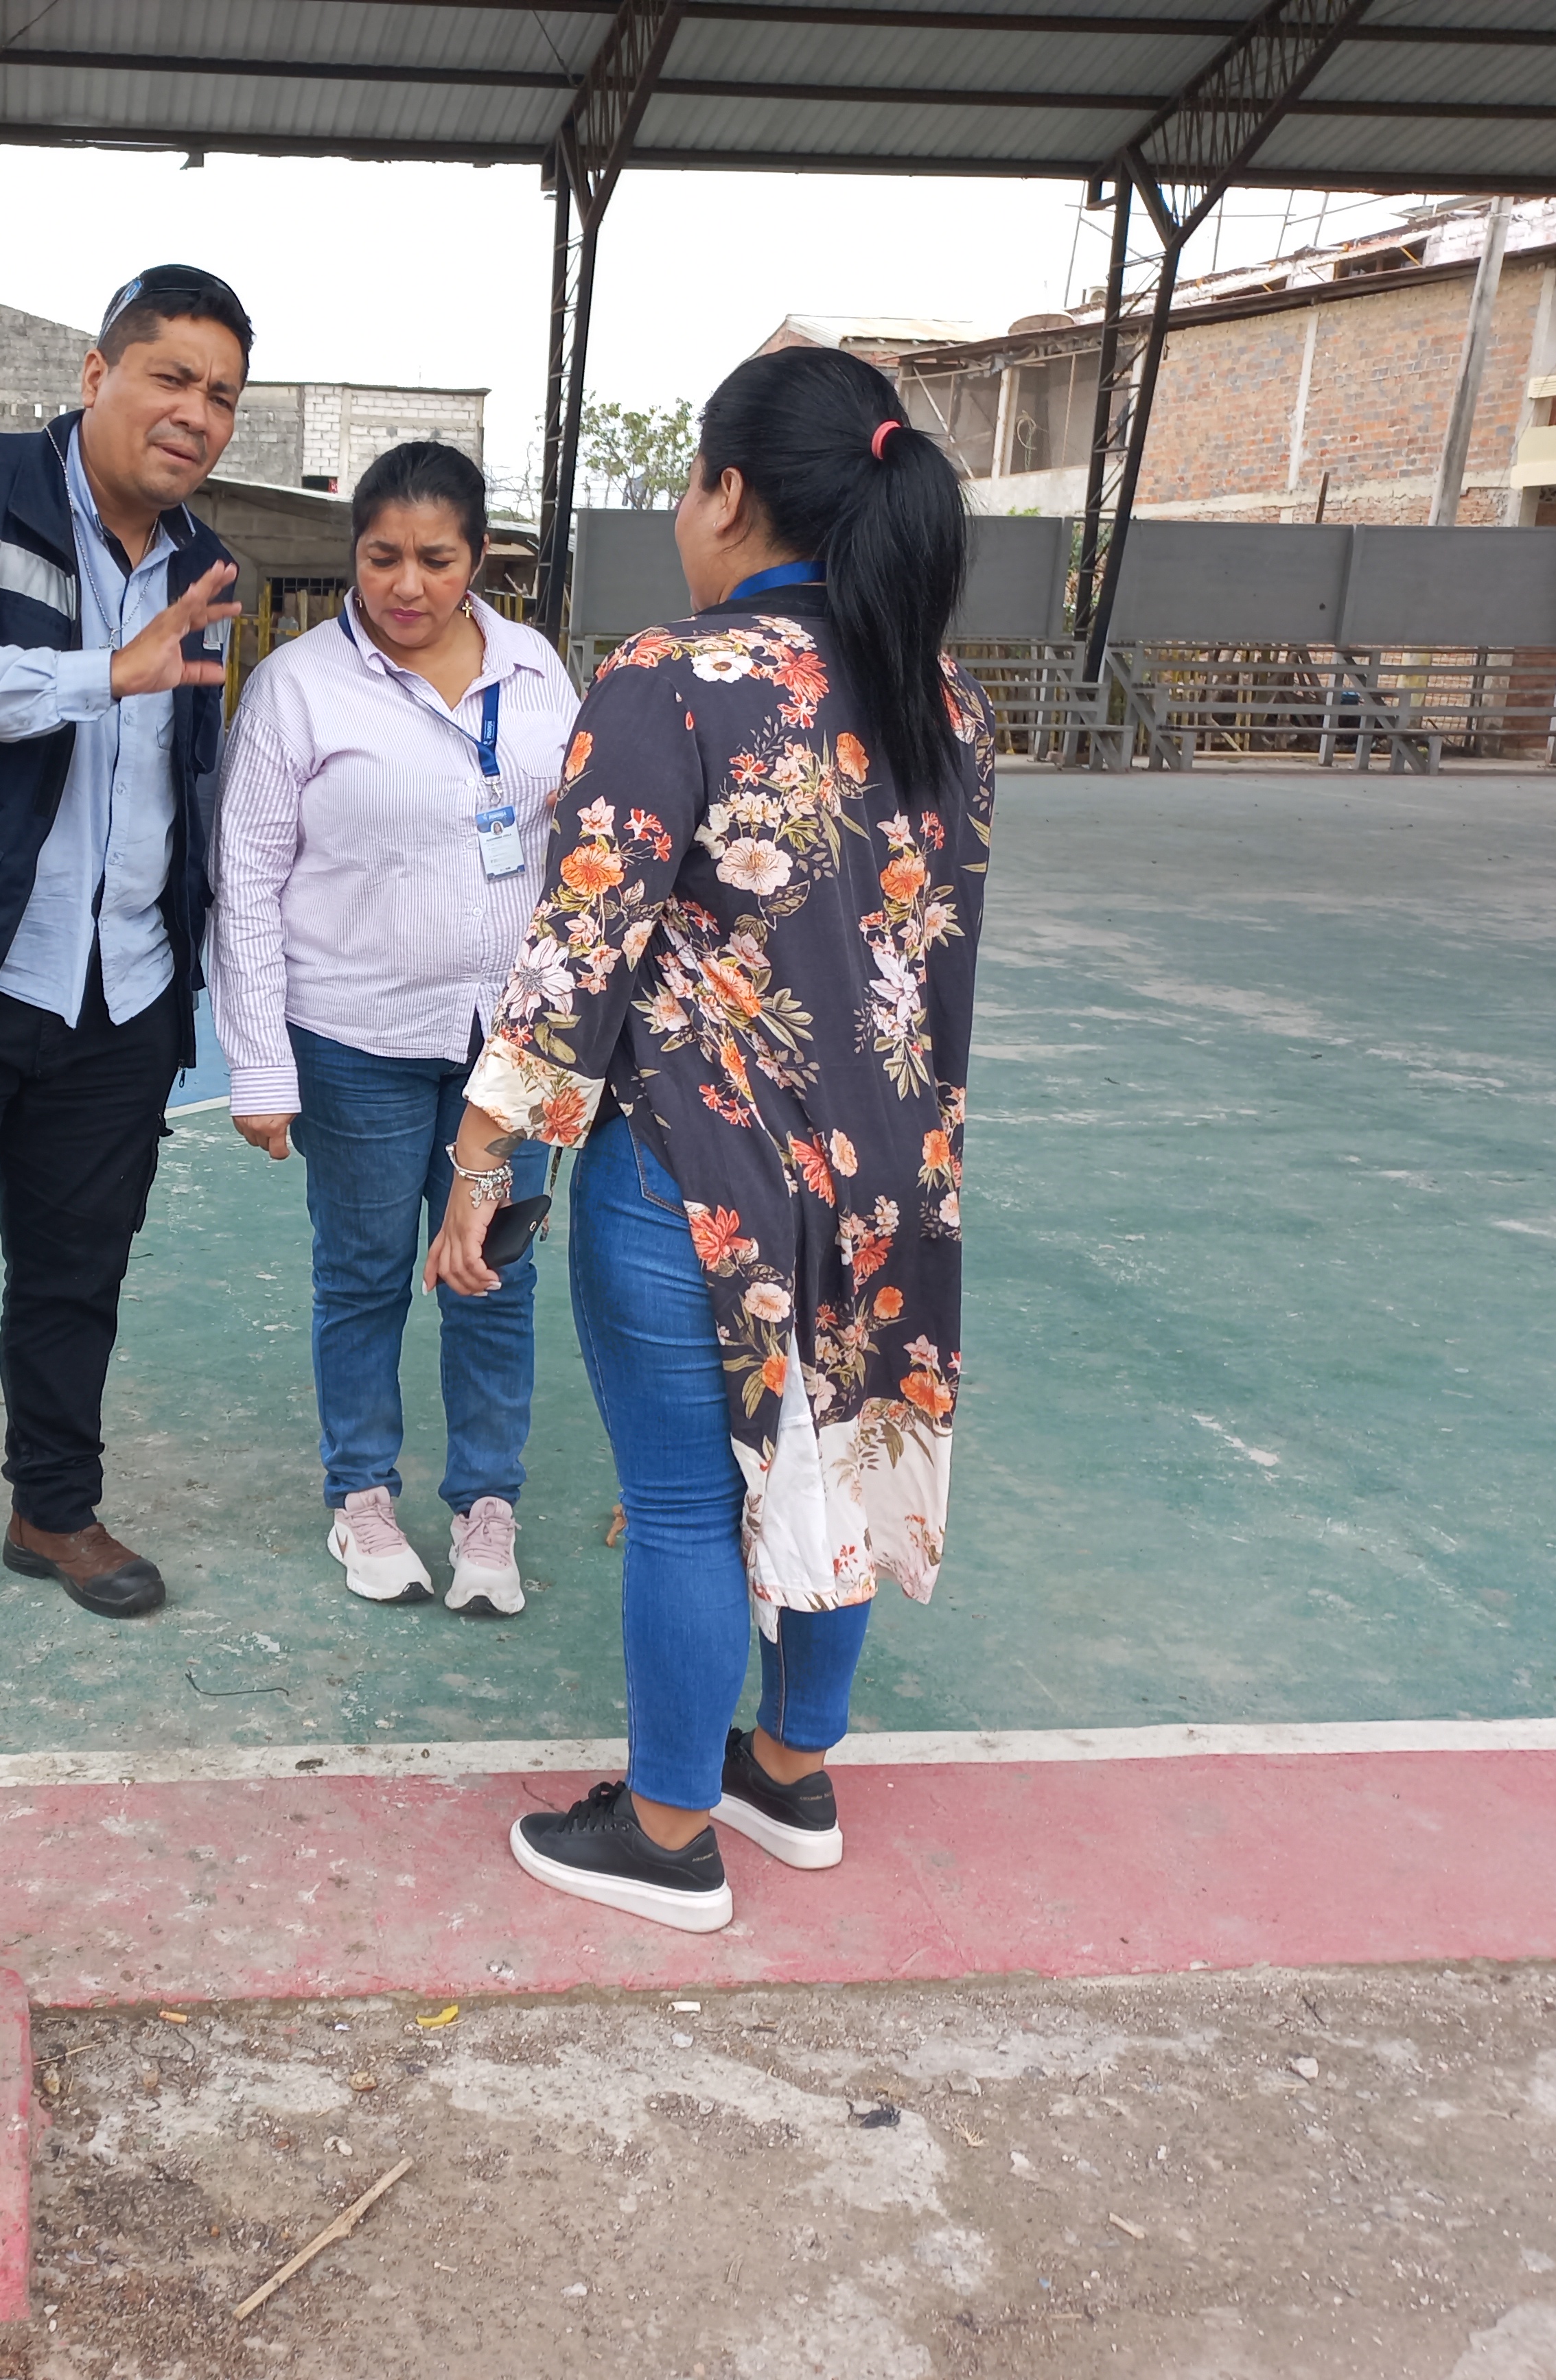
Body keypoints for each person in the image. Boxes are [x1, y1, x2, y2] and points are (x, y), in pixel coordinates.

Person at [426, 345, 995, 1933]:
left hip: (697, 1171)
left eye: (689, 480)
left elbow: (579, 946)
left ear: (728, 493)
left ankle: (669, 1828)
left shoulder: (670, 674)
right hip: (888, 1180)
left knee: (682, 1502)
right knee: (837, 1458)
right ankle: (788, 1769)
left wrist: (481, 1154)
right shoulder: (943, 695)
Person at [0, 265, 252, 1620]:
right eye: (170, 377)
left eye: (220, 394)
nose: (194, 413)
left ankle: (51, 1509)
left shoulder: (202, 562)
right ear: (96, 374)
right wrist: (99, 672)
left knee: (75, 1277)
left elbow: (182, 778)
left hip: (120, 995)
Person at [210, 442, 579, 1615]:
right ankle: (361, 1494)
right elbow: (248, 878)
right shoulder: (297, 687)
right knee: (365, 1274)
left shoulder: (534, 671)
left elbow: (578, 853)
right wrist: (260, 1065)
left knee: (493, 1274)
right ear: (353, 554)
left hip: (506, 1046)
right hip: (354, 1038)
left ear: (479, 560)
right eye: (381, 558)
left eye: (435, 559)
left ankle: (486, 1504)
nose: (405, 586)